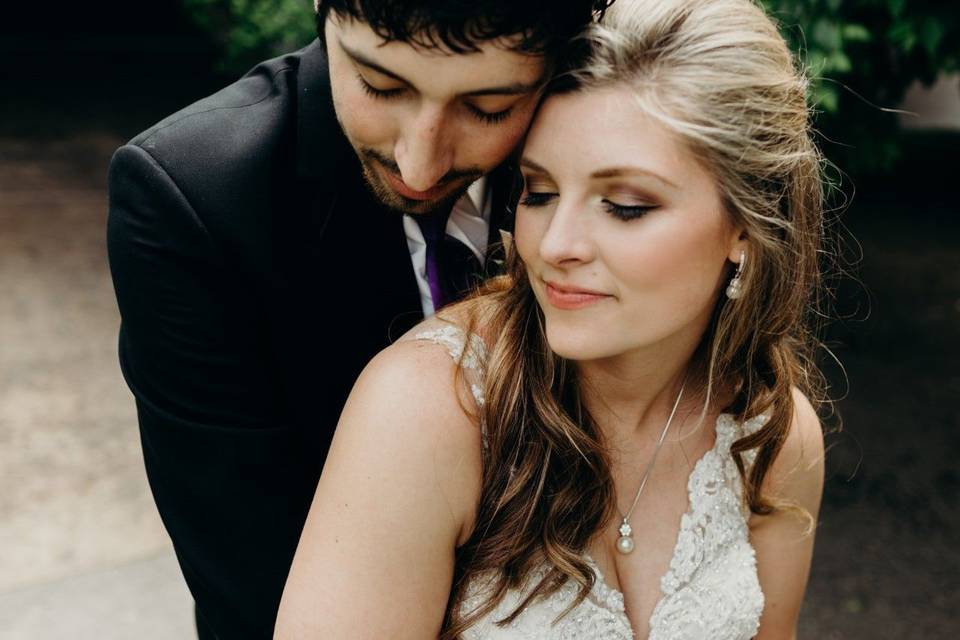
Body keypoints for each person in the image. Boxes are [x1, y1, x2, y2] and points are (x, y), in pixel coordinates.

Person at [275, 0, 828, 637]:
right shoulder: (429, 409)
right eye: (538, 193)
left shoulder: (773, 434)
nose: (555, 243)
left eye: (624, 205)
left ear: (746, 226)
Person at [106, 1, 608, 637]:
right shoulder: (194, 199)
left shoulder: (616, 132)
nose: (419, 164)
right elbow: (248, 574)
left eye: (488, 108)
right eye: (380, 86)